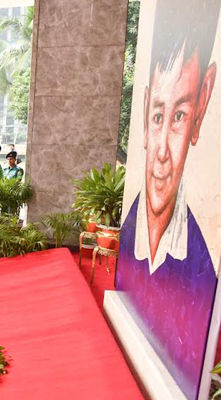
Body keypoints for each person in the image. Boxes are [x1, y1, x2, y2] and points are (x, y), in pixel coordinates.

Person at [117, 0, 219, 396]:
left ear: (202, 106)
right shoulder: (127, 238)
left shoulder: (202, 270)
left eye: (179, 115)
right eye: (158, 115)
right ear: (143, 113)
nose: (161, 152)